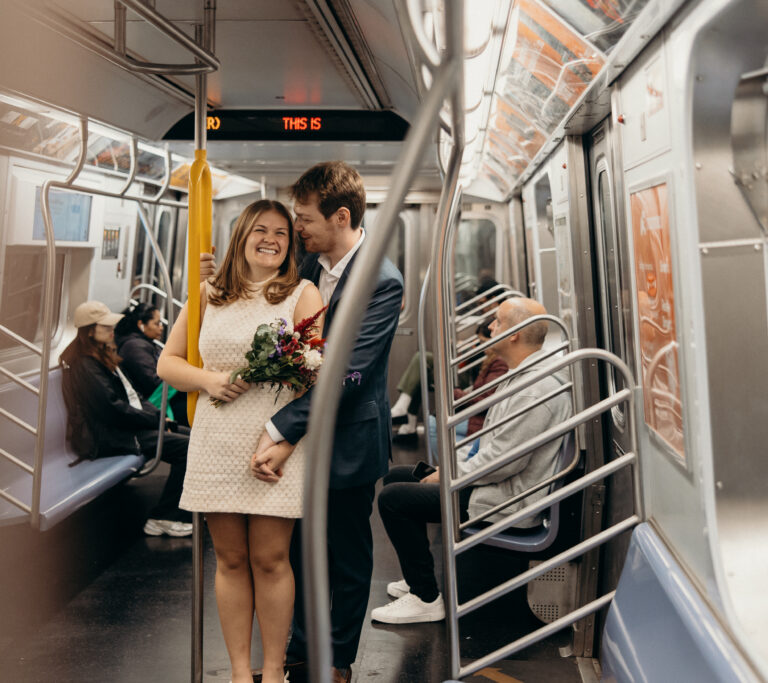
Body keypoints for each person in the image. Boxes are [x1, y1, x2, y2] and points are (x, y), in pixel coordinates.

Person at [248, 162, 404, 683]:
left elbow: (349, 373)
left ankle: (337, 661)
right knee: (295, 549)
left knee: (346, 557)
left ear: (341, 217)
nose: (297, 228)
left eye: (304, 218)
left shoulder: (382, 282)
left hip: (348, 440)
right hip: (303, 436)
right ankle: (299, 649)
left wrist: (281, 429)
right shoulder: (306, 266)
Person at [157, 199, 324, 683]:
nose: (271, 240)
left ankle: (272, 671)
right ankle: (237, 673)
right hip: (216, 439)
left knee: (270, 560)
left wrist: (283, 442)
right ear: (242, 236)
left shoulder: (302, 294)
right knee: (229, 560)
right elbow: (168, 363)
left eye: (282, 233)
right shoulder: (208, 293)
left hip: (273, 442)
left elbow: (315, 374)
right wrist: (208, 380)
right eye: (260, 230)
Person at [369, 297, 572, 624]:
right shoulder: (520, 375)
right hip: (493, 484)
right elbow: (489, 445)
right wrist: (447, 470)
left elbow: (503, 463)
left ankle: (425, 597)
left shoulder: (534, 390)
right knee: (398, 477)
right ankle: (416, 574)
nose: (490, 326)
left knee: (393, 500)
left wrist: (449, 475)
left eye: (498, 321)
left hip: (505, 500)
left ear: (514, 334)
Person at [59, 300, 193, 537]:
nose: (112, 330)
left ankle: (183, 508)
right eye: (105, 326)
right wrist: (155, 421)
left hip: (122, 427)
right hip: (107, 436)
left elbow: (133, 397)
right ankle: (164, 516)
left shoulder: (102, 355)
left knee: (194, 438)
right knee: (188, 449)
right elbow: (113, 409)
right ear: (89, 331)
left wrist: (159, 417)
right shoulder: (85, 365)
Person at [424, 322, 509, 464]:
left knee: (433, 423)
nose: (481, 347)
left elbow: (485, 399)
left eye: (483, 342)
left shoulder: (499, 363)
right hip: (479, 415)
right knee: (438, 423)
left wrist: (455, 393)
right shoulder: (492, 360)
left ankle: (447, 467)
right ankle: (451, 464)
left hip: (481, 419)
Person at [114, 302, 187, 425]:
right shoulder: (134, 347)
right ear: (141, 325)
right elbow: (153, 381)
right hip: (152, 402)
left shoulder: (143, 344)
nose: (161, 327)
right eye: (156, 323)